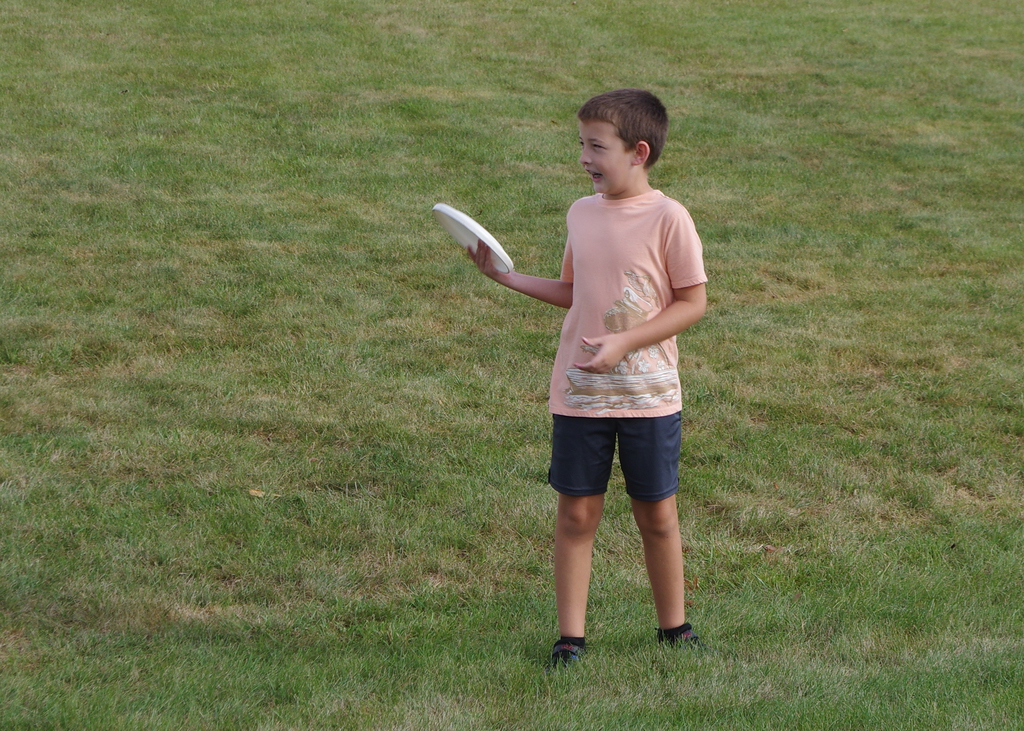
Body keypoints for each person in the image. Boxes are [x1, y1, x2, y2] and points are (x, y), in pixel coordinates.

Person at [467, 88, 708, 667]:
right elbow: (575, 293)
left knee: (658, 514)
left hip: (649, 397)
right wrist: (508, 278)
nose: (583, 157)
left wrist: (625, 340)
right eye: (581, 144)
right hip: (580, 395)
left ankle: (674, 628)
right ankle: (570, 639)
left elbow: (692, 303)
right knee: (576, 514)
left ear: (638, 152)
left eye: (596, 146)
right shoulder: (580, 212)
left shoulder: (668, 217)